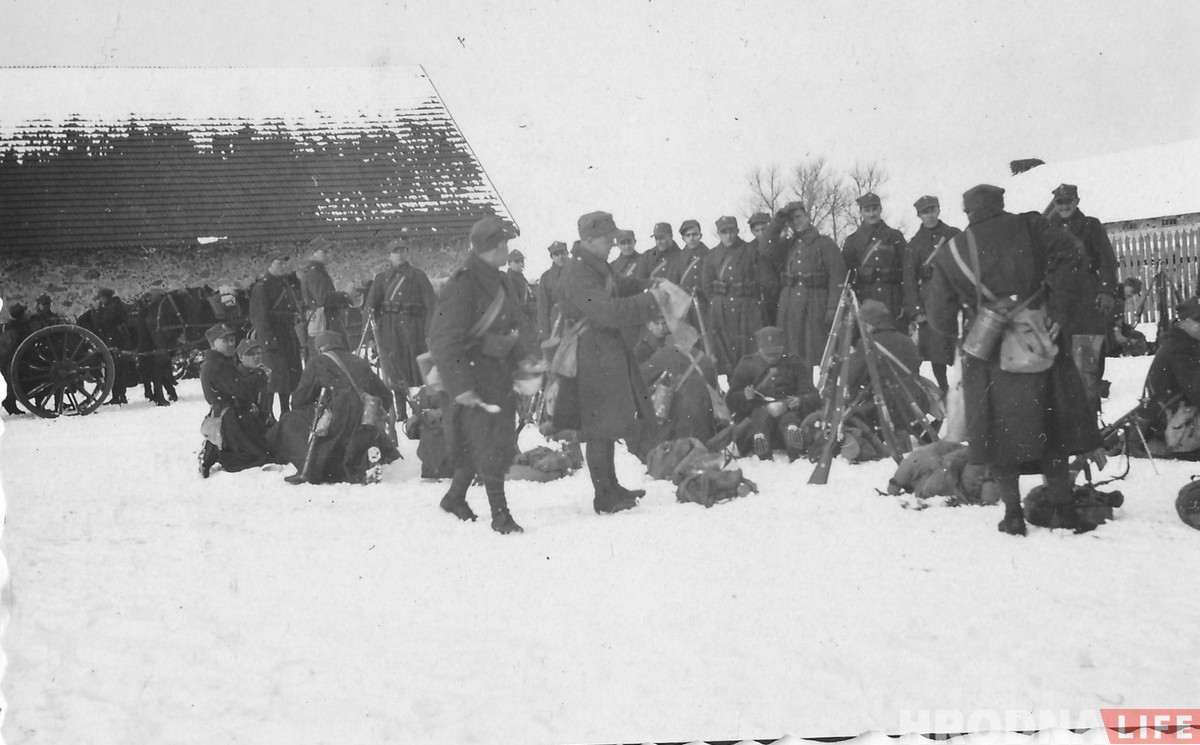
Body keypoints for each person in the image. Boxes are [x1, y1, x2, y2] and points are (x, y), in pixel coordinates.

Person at [926, 184, 1100, 536]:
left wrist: (971, 317)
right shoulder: (1031, 226)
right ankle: (1063, 509)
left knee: (998, 438)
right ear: (1001, 203)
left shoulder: (951, 251)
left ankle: (1013, 516)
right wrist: (1058, 308)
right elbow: (1073, 253)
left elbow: (940, 319)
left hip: (988, 351)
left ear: (968, 211)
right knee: (1053, 428)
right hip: (1040, 338)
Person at [555, 210, 667, 514]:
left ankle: (612, 486)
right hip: (590, 355)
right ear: (590, 240)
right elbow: (608, 311)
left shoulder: (595, 264)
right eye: (608, 240)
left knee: (607, 423)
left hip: (603, 352)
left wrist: (647, 283)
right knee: (597, 427)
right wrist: (651, 301)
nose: (613, 245)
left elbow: (619, 285)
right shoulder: (577, 272)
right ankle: (603, 495)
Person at [427, 215, 532, 534]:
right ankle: (500, 515)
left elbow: (512, 326)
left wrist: (525, 362)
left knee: (483, 442)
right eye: (505, 244)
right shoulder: (463, 283)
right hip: (472, 376)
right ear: (497, 246)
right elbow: (442, 339)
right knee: (490, 444)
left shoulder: (501, 281)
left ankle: (454, 498)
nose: (508, 249)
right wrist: (461, 387)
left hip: (497, 373)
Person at [271, 330, 398, 485]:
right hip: (365, 416)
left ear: (320, 348)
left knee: (290, 421)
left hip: (339, 416)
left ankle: (316, 467)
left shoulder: (318, 362)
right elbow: (385, 395)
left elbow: (300, 399)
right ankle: (366, 455)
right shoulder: (359, 361)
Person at [1047, 183, 1119, 415]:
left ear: (1077, 202)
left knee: (1088, 356)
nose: (1064, 206)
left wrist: (1106, 291)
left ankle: (1090, 406)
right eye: (1059, 202)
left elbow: (1107, 260)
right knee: (1059, 357)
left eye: (1068, 201)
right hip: (1057, 298)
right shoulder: (1048, 228)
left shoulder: (1091, 226)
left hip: (1086, 297)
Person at [758, 201, 846, 366]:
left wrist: (832, 307)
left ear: (807, 217)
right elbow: (764, 248)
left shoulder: (824, 244)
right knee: (792, 348)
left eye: (798, 217)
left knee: (815, 348)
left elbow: (837, 277)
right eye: (791, 220)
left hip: (815, 302)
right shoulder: (787, 245)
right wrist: (778, 221)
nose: (795, 222)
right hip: (790, 303)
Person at [363, 238, 437, 419]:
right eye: (395, 252)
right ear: (389, 255)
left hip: (414, 329)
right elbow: (370, 308)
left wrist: (430, 332)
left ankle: (422, 412)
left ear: (407, 253)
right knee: (395, 372)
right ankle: (400, 414)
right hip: (390, 330)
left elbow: (432, 306)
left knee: (418, 371)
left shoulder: (418, 276)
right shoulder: (381, 278)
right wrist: (370, 338)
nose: (399, 255)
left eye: (402, 251)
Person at [725, 325, 821, 461]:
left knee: (790, 420)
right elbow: (730, 400)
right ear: (759, 350)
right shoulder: (746, 365)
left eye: (776, 353)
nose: (772, 358)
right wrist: (744, 396)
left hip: (788, 410)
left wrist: (800, 400)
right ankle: (761, 444)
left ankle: (793, 441)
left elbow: (813, 396)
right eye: (767, 354)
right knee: (760, 420)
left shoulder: (795, 363)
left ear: (782, 348)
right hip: (757, 412)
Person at [198, 323, 276, 478]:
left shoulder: (221, 362)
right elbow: (242, 390)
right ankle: (216, 453)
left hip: (232, 415)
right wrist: (259, 375)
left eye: (232, 340)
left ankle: (216, 449)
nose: (231, 344)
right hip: (232, 419)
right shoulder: (218, 366)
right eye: (225, 341)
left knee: (265, 449)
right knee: (261, 455)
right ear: (213, 344)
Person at [903, 195, 962, 394]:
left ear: (938, 210)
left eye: (932, 210)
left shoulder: (954, 235)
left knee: (961, 345)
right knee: (937, 350)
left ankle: (964, 387)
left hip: (956, 296)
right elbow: (909, 280)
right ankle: (944, 389)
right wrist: (916, 310)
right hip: (930, 301)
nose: (929, 215)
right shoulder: (914, 244)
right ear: (919, 215)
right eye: (924, 212)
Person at [634, 322, 719, 457]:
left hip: (677, 427)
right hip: (705, 428)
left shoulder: (666, 354)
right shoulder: (704, 358)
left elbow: (641, 378)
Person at [701, 215, 771, 375]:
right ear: (718, 234)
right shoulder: (712, 256)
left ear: (737, 231)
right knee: (727, 351)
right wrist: (719, 302)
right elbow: (707, 285)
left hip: (748, 310)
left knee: (750, 350)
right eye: (724, 232)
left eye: (731, 231)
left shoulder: (751, 251)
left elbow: (764, 279)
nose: (728, 235)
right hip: (723, 311)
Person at [1135, 297, 1200, 457]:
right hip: (1172, 423)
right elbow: (1197, 391)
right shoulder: (1180, 349)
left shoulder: (1186, 343)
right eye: (1197, 320)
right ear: (1182, 323)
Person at [249, 251, 304, 417]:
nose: (283, 266)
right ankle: (268, 416)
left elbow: (291, 307)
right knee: (272, 381)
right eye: (279, 263)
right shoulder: (262, 288)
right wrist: (269, 341)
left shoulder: (284, 285)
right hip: (273, 338)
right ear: (269, 265)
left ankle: (286, 413)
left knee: (287, 380)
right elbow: (260, 318)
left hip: (287, 337)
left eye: (284, 263)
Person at [842, 192, 909, 327]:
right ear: (861, 212)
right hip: (866, 296)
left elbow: (907, 270)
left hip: (892, 296)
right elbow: (846, 273)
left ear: (880, 210)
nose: (871, 214)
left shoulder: (895, 236)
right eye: (867, 210)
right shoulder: (853, 241)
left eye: (874, 209)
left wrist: (905, 301)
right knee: (867, 334)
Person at [300, 238, 349, 355]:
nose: (328, 255)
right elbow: (323, 299)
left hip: (326, 321)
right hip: (326, 323)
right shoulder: (315, 274)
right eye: (325, 251)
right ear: (314, 253)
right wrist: (345, 295)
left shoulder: (317, 272)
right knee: (334, 356)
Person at [89, 288, 136, 405]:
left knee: (118, 369)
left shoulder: (113, 306)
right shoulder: (110, 306)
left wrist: (96, 311)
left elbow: (103, 322)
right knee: (114, 369)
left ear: (105, 297)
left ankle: (120, 396)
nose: (100, 300)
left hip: (116, 340)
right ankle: (117, 396)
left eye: (101, 298)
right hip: (112, 339)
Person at [748, 211, 780, 325]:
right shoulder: (749, 249)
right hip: (757, 298)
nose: (761, 233)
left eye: (764, 229)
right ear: (752, 231)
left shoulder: (779, 245)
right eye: (757, 230)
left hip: (779, 296)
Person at [504, 248, 539, 353]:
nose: (521, 264)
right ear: (509, 263)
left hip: (529, 319)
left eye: (522, 261)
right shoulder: (509, 280)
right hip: (521, 321)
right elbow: (514, 304)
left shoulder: (521, 278)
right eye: (517, 261)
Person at [235, 337, 275, 427]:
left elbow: (264, 406)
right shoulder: (236, 377)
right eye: (251, 354)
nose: (257, 356)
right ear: (240, 357)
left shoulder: (261, 373)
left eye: (259, 353)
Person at [1, 302, 31, 414]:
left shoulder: (15, 325)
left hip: (12, 357)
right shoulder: (13, 328)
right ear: (21, 315)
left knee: (12, 382)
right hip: (10, 359)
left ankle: (10, 403)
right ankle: (9, 403)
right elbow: (11, 346)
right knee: (12, 381)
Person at [536, 241, 569, 342]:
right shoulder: (546, 277)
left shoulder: (578, 272)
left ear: (567, 253)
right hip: (557, 323)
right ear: (552, 257)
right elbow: (543, 307)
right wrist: (544, 334)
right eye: (556, 254)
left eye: (562, 253)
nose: (560, 257)